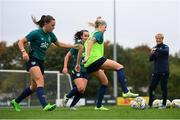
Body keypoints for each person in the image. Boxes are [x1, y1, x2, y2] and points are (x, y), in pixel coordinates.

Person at [11, 15, 81, 111]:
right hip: (32, 59)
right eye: (52, 25)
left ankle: (16, 101)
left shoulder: (51, 35)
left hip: (40, 62)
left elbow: (60, 44)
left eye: (54, 25)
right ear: (45, 24)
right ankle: (45, 105)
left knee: (33, 87)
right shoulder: (35, 33)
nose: (54, 27)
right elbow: (21, 42)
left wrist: (73, 46)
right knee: (40, 81)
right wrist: (24, 52)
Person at [84, 17, 139, 110]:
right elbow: (90, 42)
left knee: (104, 82)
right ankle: (125, 92)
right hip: (95, 60)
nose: (106, 29)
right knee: (119, 67)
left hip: (88, 64)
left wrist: (98, 19)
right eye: (105, 27)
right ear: (100, 26)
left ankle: (98, 106)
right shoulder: (99, 33)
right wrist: (87, 56)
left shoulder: (93, 32)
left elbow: (95, 29)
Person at [61, 30, 89, 110]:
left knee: (82, 90)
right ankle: (67, 97)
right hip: (77, 69)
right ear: (81, 36)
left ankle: (72, 106)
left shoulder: (89, 46)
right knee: (80, 87)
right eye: (85, 36)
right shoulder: (78, 45)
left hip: (85, 70)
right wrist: (65, 67)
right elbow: (67, 56)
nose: (87, 37)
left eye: (88, 36)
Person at [148, 33, 169, 109]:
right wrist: (152, 54)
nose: (158, 40)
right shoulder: (154, 48)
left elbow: (165, 52)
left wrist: (156, 50)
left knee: (163, 88)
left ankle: (164, 104)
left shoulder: (165, 47)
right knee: (151, 87)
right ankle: (150, 104)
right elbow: (150, 59)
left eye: (159, 38)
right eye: (157, 38)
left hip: (164, 71)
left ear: (162, 39)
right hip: (156, 72)